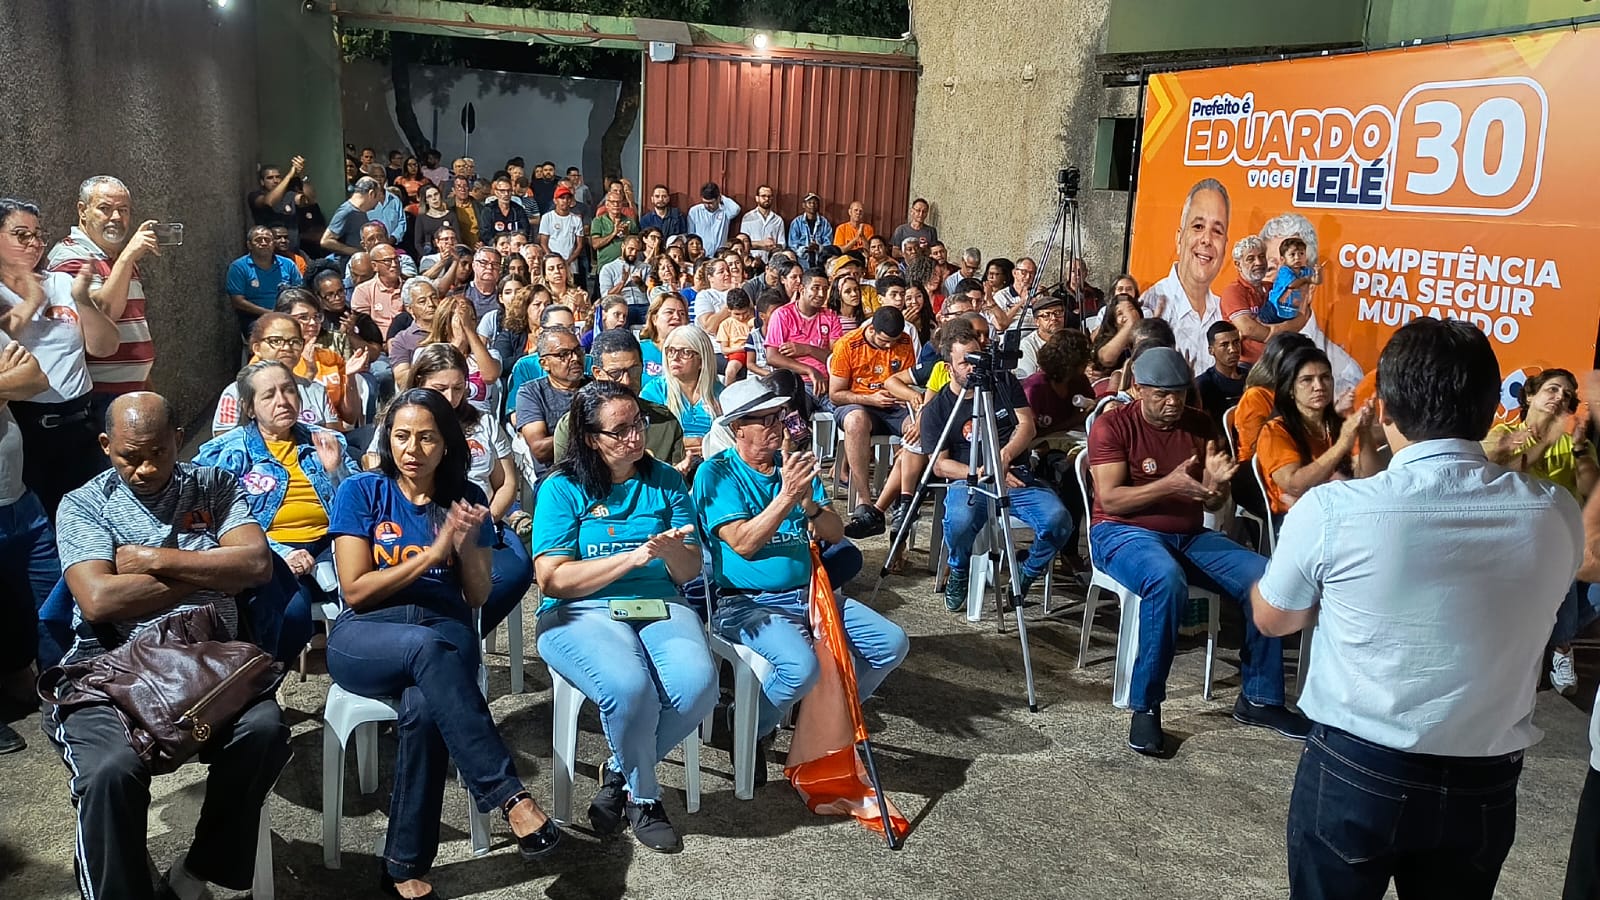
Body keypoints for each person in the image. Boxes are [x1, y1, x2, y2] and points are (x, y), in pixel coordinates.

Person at [1249, 319, 1580, 899]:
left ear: (1387, 409)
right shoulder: (1554, 514)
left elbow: (1274, 619)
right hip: (1486, 778)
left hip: (1358, 767)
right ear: (1487, 414)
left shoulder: (1333, 511)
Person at [47, 392, 290, 900]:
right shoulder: (85, 504)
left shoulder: (215, 485)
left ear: (179, 439)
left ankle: (198, 869)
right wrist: (208, 567)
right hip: (108, 668)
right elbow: (98, 600)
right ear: (105, 445)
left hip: (211, 662)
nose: (143, 467)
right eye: (128, 455)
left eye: (157, 451)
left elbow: (256, 566)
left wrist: (152, 559)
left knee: (264, 730)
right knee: (110, 772)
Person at [326, 389, 560, 896]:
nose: (412, 449)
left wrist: (470, 547)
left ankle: (403, 867)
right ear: (388, 438)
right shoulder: (362, 492)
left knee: (426, 707)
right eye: (402, 435)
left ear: (447, 444)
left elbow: (476, 594)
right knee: (424, 649)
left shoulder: (467, 500)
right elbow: (355, 588)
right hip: (368, 632)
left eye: (427, 437)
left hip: (443, 621)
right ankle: (508, 795)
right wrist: (433, 553)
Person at [1088, 346, 1307, 756]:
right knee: (1165, 581)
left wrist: (1216, 488)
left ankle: (1260, 699)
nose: (1173, 403)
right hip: (1121, 533)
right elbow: (1112, 499)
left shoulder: (1200, 424)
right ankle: (1146, 705)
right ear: (1138, 389)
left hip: (1188, 535)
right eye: (1161, 395)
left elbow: (1208, 502)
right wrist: (1169, 485)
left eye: (1180, 394)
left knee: (1268, 579)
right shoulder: (1112, 426)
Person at [532, 380, 716, 852]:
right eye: (621, 431)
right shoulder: (562, 487)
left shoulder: (667, 482)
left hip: (658, 603)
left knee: (699, 686)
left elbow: (690, 569)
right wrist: (631, 558)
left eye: (638, 424)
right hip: (579, 610)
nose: (635, 437)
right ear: (592, 438)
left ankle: (620, 770)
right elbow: (551, 578)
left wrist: (673, 554)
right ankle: (646, 797)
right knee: (630, 688)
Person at [694, 378, 907, 772]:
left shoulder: (791, 468)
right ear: (737, 427)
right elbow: (742, 543)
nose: (776, 426)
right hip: (745, 602)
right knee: (800, 667)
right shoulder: (717, 473)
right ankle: (746, 729)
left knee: (890, 644)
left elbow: (835, 532)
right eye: (764, 420)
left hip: (810, 595)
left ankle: (822, 717)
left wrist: (810, 506)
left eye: (779, 416)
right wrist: (787, 497)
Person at [193, 359, 356, 661]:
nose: (283, 401)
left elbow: (358, 506)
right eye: (269, 395)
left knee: (369, 597)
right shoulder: (228, 453)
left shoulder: (325, 440)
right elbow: (215, 518)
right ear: (249, 407)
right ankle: (266, 679)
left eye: (289, 391)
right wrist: (281, 552)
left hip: (330, 545)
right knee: (292, 613)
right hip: (266, 551)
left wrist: (335, 472)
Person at [921, 317, 1072, 610]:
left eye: (977, 358)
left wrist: (1003, 457)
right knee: (959, 523)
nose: (973, 367)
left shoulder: (1002, 382)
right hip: (970, 481)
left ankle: (1027, 573)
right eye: (965, 362)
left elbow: (1026, 426)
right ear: (948, 366)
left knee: (1058, 521)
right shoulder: (938, 408)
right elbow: (939, 465)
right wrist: (982, 472)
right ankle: (959, 568)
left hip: (1014, 474)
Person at [1, 198, 121, 517]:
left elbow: (105, 346)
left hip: (82, 421)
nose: (34, 243)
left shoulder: (61, 282)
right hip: (28, 426)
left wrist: (82, 299)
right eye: (21, 234)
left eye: (37, 234)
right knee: (45, 523)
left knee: (94, 518)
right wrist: (31, 301)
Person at [1483, 367, 1599, 695]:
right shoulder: (1503, 432)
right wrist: (1540, 442)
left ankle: (1552, 639)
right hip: (1509, 542)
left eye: (1566, 394)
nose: (1560, 397)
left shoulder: (1576, 444)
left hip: (1565, 546)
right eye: (1552, 389)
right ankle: (1561, 647)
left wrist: (1578, 452)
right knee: (1556, 574)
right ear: (1530, 395)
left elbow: (1591, 491)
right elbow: (1502, 471)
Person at [406, 344, 531, 637]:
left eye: (458, 388)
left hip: (483, 520)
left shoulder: (483, 422)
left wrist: (486, 520)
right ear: (419, 382)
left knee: (516, 571)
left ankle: (460, 633)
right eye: (440, 388)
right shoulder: (401, 421)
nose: (450, 398)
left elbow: (506, 483)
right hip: (423, 525)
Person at [44, 177, 161, 429]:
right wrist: (128, 255)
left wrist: (147, 388)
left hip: (130, 390)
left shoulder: (116, 259)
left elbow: (135, 327)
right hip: (98, 398)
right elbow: (105, 315)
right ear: (82, 211)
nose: (116, 218)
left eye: (123, 210)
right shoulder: (71, 257)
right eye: (105, 208)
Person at [0, 337, 56, 754]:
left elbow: (36, 378)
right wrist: (5, 383)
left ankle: (62, 691)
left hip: (22, 501)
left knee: (50, 600)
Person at [1255, 346, 1374, 522]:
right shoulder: (1274, 431)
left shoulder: (1337, 423)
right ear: (1290, 389)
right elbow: (1295, 486)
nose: (1318, 386)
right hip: (1294, 518)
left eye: (1325, 377)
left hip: (1340, 509)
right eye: (1307, 380)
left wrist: (1365, 433)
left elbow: (1371, 479)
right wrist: (1341, 446)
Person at [830, 307, 916, 534]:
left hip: (893, 404)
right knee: (856, 421)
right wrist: (869, 399)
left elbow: (908, 381)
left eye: (894, 341)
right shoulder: (848, 344)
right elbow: (835, 394)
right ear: (871, 330)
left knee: (916, 427)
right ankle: (864, 500)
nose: (889, 346)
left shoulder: (905, 342)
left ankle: (900, 497)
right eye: (885, 341)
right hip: (857, 402)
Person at [553, 328, 684, 468]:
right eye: (615, 373)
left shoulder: (665, 422)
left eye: (634, 370)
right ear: (598, 374)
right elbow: (566, 482)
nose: (626, 381)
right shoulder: (573, 425)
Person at [1140, 179, 1230, 376]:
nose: (1207, 239)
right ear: (1179, 239)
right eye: (1198, 226)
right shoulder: (1151, 305)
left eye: (1217, 231)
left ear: (1225, 247)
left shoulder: (1226, 313)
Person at [212, 313, 337, 435]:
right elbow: (223, 443)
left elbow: (334, 438)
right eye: (276, 341)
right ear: (257, 348)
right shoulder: (236, 391)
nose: (287, 348)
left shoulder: (317, 390)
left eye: (294, 341)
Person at [277, 288, 366, 431]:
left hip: (335, 435)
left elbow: (350, 417)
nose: (313, 323)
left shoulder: (330, 357)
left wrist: (350, 377)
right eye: (303, 317)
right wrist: (309, 373)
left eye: (316, 316)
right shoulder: (270, 359)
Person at [641, 324, 722, 471]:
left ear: (701, 360)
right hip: (667, 464)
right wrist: (678, 445)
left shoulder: (720, 394)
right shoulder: (654, 391)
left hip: (711, 465)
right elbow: (647, 439)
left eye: (685, 352)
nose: (675, 357)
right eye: (670, 351)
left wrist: (707, 444)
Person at [1219, 235, 1307, 366]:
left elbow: (1302, 317)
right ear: (1238, 264)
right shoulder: (1233, 291)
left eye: (1261, 257)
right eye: (1251, 259)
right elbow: (1248, 329)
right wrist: (1285, 330)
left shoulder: (1273, 287)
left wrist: (1272, 330)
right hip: (1249, 366)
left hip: (1279, 362)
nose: (1259, 263)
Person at [514, 326, 587, 475]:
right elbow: (540, 450)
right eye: (563, 354)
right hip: (556, 477)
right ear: (544, 364)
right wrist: (592, 431)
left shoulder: (595, 388)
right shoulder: (531, 393)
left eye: (578, 350)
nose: (575, 358)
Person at [764, 268, 842, 397]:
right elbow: (772, 357)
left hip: (828, 384)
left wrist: (808, 349)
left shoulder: (831, 316)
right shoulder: (782, 314)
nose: (821, 294)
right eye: (815, 288)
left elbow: (835, 359)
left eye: (825, 289)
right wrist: (809, 370)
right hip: (796, 385)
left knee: (855, 415)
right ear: (801, 289)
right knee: (797, 413)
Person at [225, 226, 301, 338]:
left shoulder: (288, 264)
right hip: (255, 317)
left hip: (288, 314)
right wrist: (269, 313)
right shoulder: (239, 267)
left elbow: (300, 292)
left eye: (268, 240)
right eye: (258, 240)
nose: (264, 243)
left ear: (273, 244)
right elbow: (237, 301)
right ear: (249, 245)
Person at [249, 157, 316, 251]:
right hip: (268, 253)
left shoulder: (289, 195)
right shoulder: (256, 196)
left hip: (292, 253)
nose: (275, 180)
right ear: (262, 182)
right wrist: (289, 175)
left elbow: (310, 199)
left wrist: (301, 176)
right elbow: (269, 202)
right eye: (270, 178)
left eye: (278, 177)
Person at [1194, 320, 1247, 436]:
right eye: (1224, 345)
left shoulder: (1251, 378)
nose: (1233, 349)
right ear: (1211, 350)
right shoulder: (1204, 384)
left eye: (1236, 342)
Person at [1259, 236, 1321, 325]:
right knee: (1263, 323)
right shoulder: (1285, 271)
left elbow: (1316, 281)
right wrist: (1307, 279)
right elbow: (1292, 285)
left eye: (1301, 253)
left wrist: (1318, 273)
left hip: (1289, 311)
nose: (1297, 257)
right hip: (1273, 308)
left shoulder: (1306, 270)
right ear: (1283, 259)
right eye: (1292, 254)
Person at [349, 241, 406, 336]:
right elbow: (363, 327)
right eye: (387, 261)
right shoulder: (363, 291)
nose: (394, 264)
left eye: (396, 259)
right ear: (374, 266)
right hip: (378, 345)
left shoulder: (410, 287)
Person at [321, 177, 381, 261]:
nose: (378, 202)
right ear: (371, 194)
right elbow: (326, 241)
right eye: (378, 196)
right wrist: (357, 252)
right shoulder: (346, 211)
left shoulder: (361, 211)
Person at [1014, 292, 1068, 379]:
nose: (1054, 318)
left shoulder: (1071, 338)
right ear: (1037, 321)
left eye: (1058, 313)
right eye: (1046, 315)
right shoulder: (1027, 345)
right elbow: (1029, 380)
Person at [599, 234, 650, 323]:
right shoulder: (608, 268)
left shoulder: (646, 267)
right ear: (623, 246)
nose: (634, 253)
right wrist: (622, 282)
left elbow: (651, 291)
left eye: (637, 251)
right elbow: (606, 296)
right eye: (631, 249)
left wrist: (640, 283)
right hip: (623, 306)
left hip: (644, 305)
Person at [639, 291, 690, 379]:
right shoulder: (639, 350)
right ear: (654, 319)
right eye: (669, 312)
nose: (677, 317)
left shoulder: (693, 353)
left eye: (682, 313)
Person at [590, 191, 639, 272]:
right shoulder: (598, 221)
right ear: (607, 204)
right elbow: (595, 244)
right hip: (604, 267)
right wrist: (613, 233)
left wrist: (627, 235)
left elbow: (638, 245)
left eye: (619, 202)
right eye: (613, 202)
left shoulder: (630, 221)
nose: (616, 205)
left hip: (626, 267)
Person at [686, 182, 741, 255]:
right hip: (701, 255)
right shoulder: (695, 211)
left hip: (720, 255)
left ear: (718, 199)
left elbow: (736, 209)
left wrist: (722, 198)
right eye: (705, 202)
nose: (707, 205)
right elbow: (691, 235)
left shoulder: (725, 211)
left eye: (711, 203)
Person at [787, 192, 834, 270]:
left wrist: (818, 247)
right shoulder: (796, 223)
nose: (812, 205)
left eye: (815, 203)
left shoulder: (825, 223)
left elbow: (829, 244)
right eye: (809, 202)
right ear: (804, 205)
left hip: (820, 264)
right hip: (801, 264)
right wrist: (805, 249)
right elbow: (792, 245)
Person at [480, 175, 531, 246]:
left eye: (509, 191)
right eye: (502, 191)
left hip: (515, 247)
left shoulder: (518, 209)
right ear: (496, 192)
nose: (506, 194)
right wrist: (500, 245)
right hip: (495, 247)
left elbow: (525, 230)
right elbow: (485, 234)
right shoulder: (488, 210)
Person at [411, 183, 457, 262]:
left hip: (450, 255)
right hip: (429, 256)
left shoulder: (451, 215)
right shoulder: (421, 218)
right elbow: (418, 243)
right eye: (429, 196)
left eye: (436, 194)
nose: (434, 198)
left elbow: (457, 239)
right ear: (426, 201)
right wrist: (428, 257)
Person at [739, 184, 785, 261]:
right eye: (763, 196)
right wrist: (762, 244)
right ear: (757, 198)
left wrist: (774, 246)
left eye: (769, 196)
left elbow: (782, 244)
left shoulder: (778, 220)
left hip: (771, 261)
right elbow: (742, 243)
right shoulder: (748, 217)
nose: (767, 198)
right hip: (751, 260)